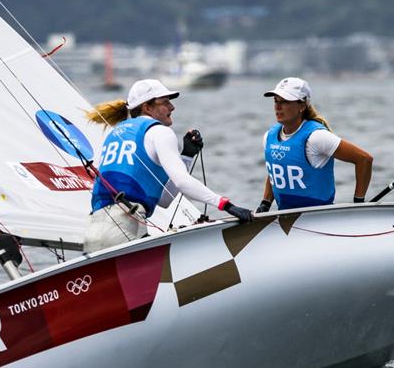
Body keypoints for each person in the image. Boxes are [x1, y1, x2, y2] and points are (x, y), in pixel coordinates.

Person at [84, 78, 252, 253]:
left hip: (93, 231)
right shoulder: (159, 132)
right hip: (124, 229)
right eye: (165, 102)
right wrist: (227, 206)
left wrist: (186, 157)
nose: (172, 107)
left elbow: (164, 200)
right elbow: (182, 182)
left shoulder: (115, 134)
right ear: (147, 108)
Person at [256, 77, 372, 213]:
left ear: (302, 106)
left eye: (285, 101)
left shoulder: (316, 137)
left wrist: (358, 204)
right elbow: (276, 172)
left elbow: (364, 159)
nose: (278, 107)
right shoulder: (268, 137)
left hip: (319, 217)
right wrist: (265, 204)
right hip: (287, 217)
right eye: (276, 101)